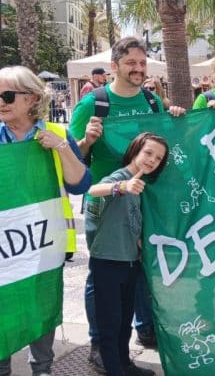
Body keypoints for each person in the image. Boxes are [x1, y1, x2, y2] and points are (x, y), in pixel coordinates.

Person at [70, 36, 186, 372]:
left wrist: (175, 115)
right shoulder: (94, 103)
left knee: (135, 270)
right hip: (107, 202)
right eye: (130, 63)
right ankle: (99, 344)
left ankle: (137, 333)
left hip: (144, 198)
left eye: (141, 63)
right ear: (115, 66)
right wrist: (87, 140)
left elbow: (164, 143)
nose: (137, 69)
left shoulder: (152, 101)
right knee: (103, 276)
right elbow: (73, 160)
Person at [0, 65, 92, 376]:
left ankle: (43, 369)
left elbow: (80, 184)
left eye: (8, 95)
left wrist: (62, 148)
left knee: (41, 303)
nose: (1, 101)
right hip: (4, 242)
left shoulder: (56, 134)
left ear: (33, 98)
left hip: (43, 240)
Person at [87, 132, 169, 376]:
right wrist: (121, 186)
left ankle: (124, 364)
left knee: (124, 321)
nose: (152, 160)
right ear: (135, 150)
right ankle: (115, 370)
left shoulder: (143, 184)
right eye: (148, 153)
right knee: (109, 324)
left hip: (131, 262)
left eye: (158, 158)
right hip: (107, 261)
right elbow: (92, 190)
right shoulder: (121, 177)